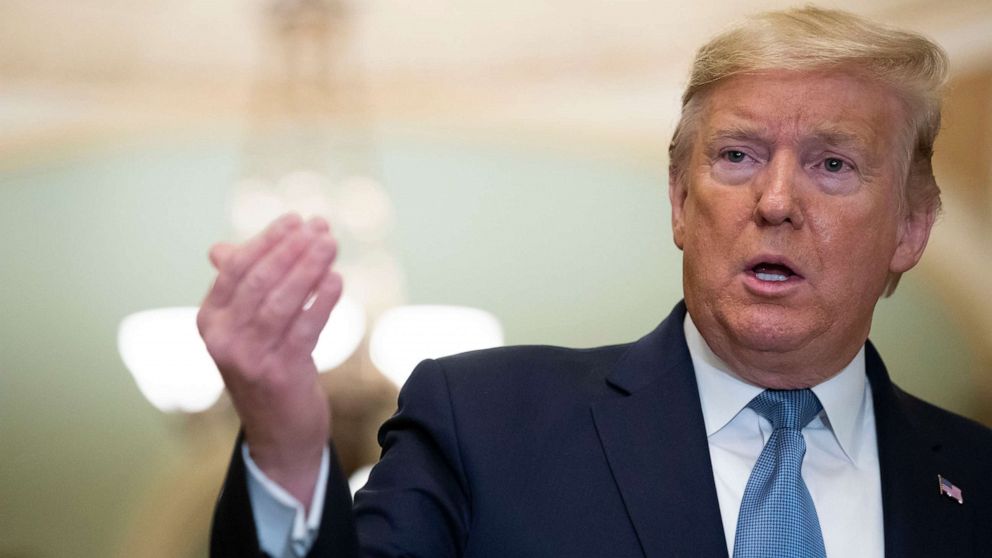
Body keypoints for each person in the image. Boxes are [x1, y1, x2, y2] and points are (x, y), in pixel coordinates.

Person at [201, 7, 992, 558]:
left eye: (833, 164)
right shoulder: (484, 424)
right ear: (681, 201)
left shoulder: (977, 479)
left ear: (911, 229)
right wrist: (285, 447)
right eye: (737, 156)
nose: (776, 201)